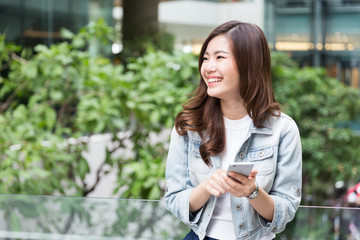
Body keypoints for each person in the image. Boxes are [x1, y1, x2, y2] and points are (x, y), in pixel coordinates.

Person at [164, 20, 302, 240]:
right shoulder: (190, 126)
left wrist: (252, 192)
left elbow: (285, 211)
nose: (208, 67)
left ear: (249, 63)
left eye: (219, 57)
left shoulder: (282, 129)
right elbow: (173, 199)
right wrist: (207, 187)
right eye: (206, 58)